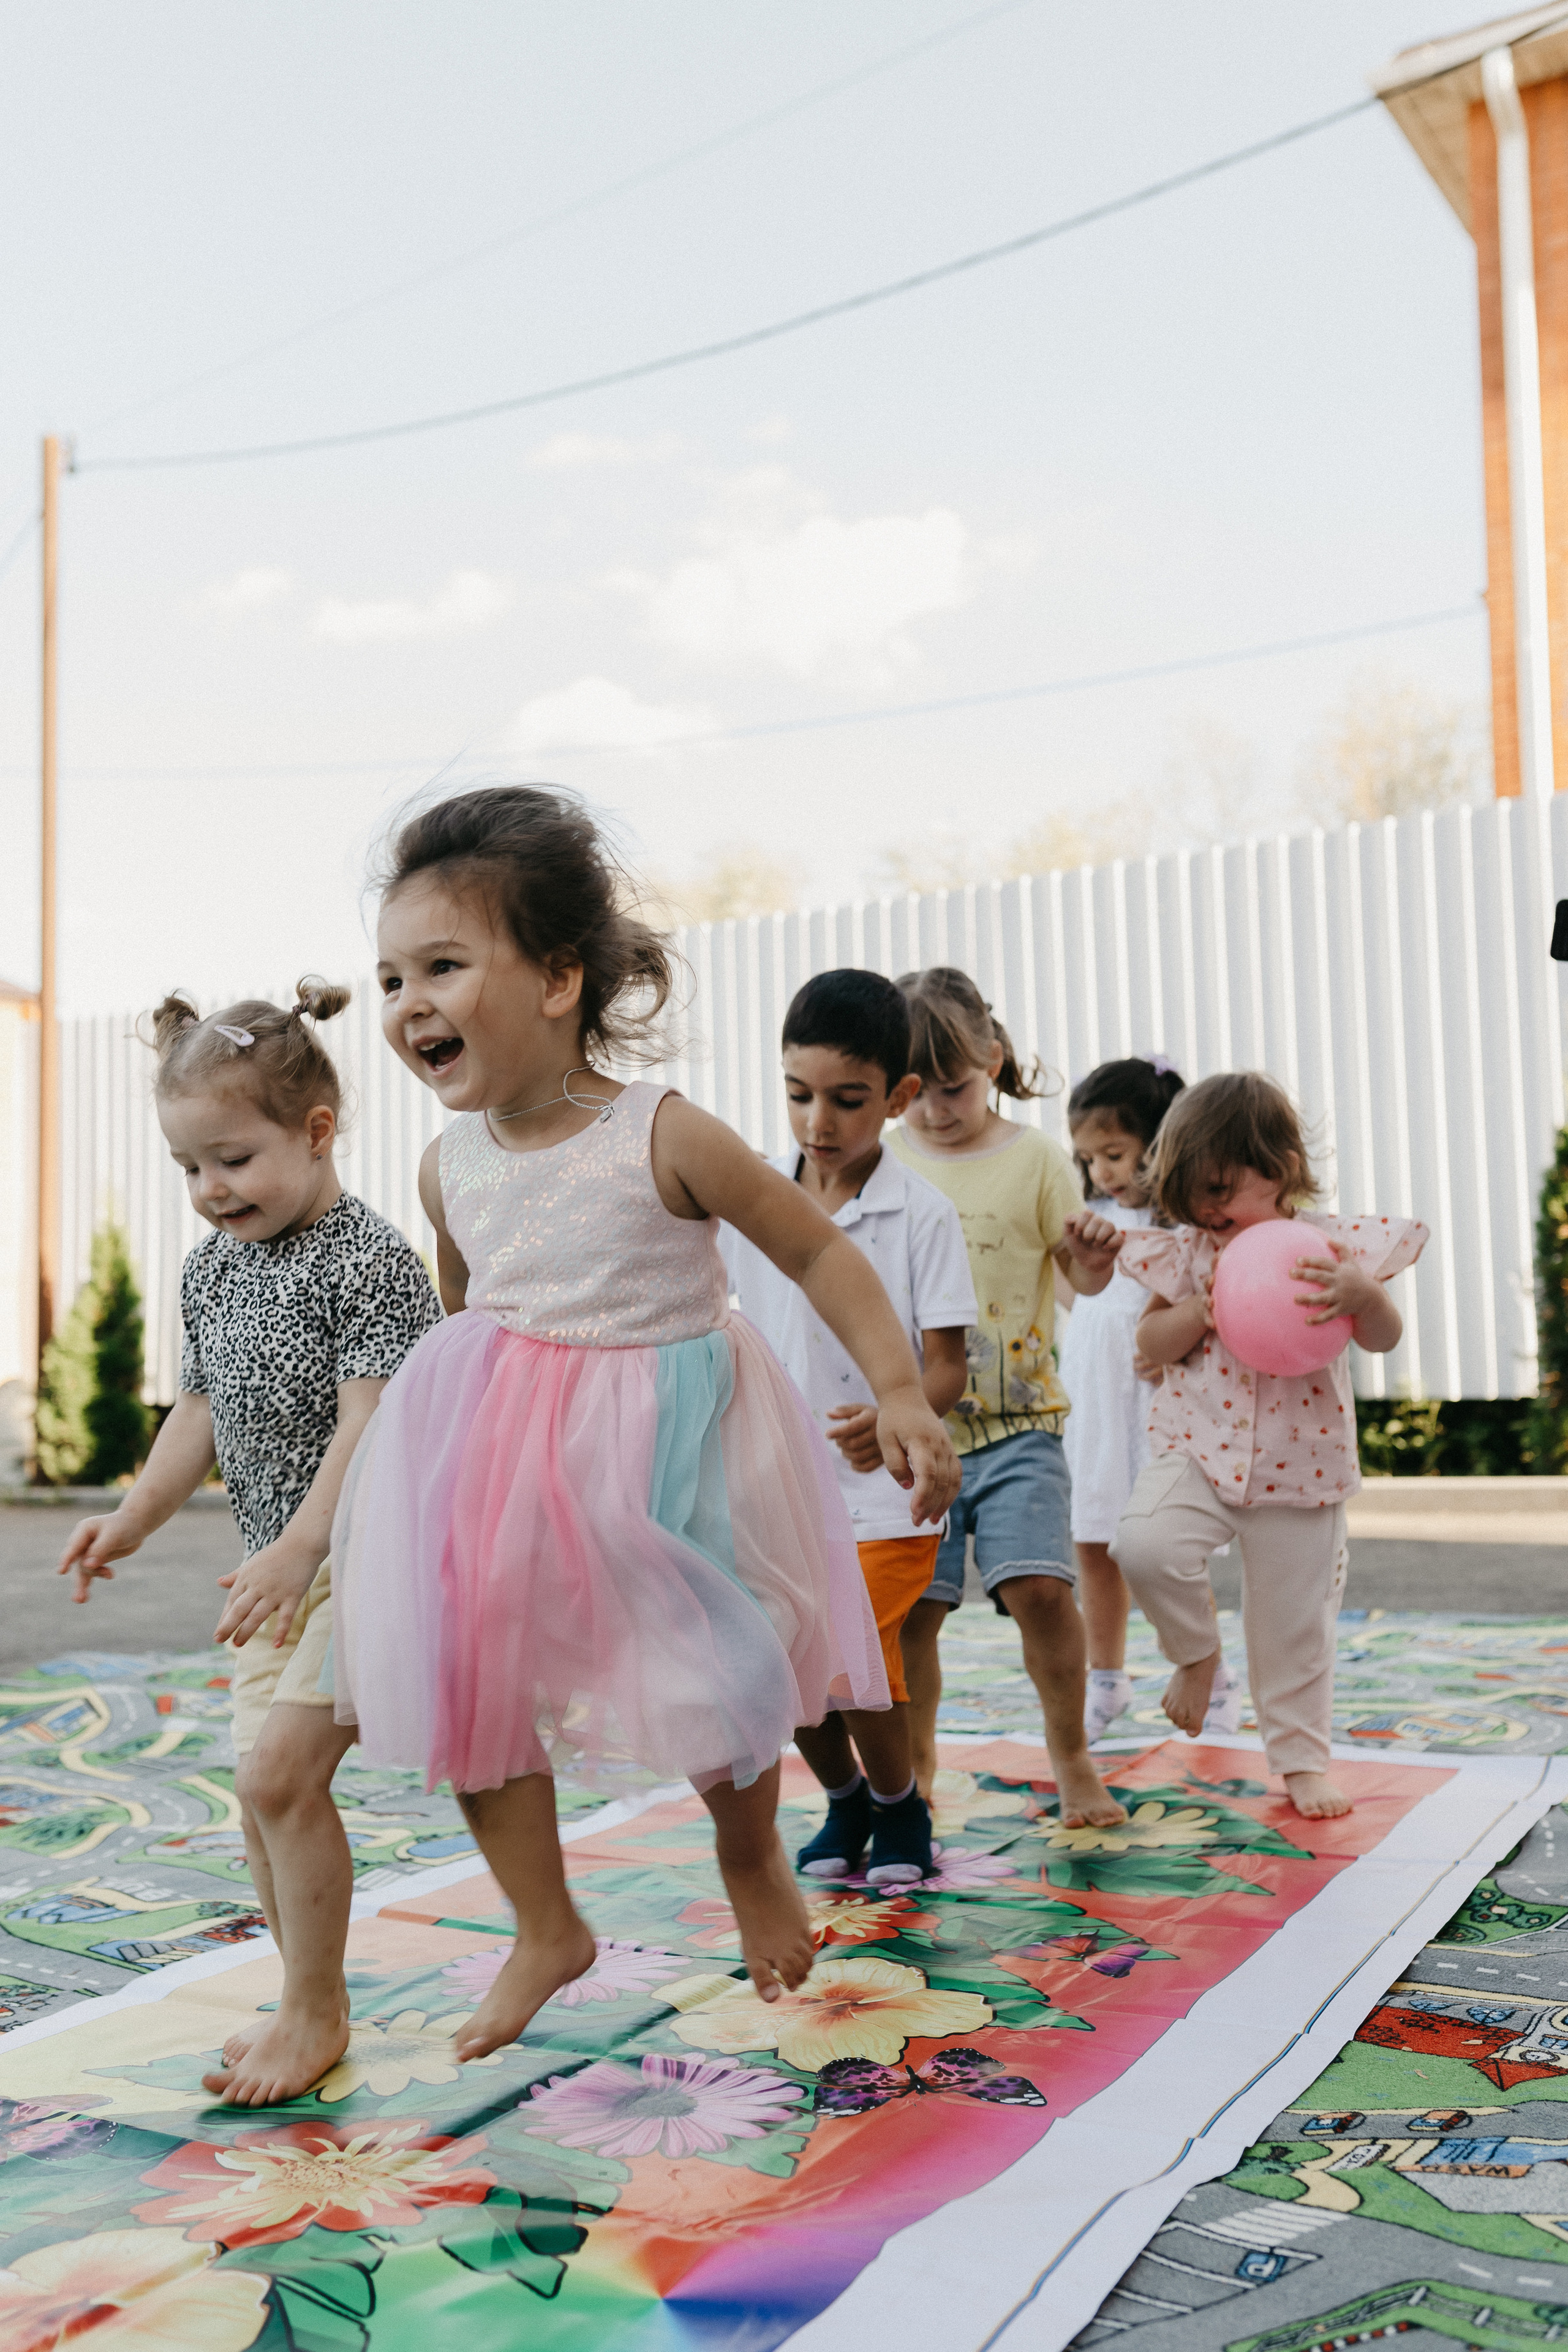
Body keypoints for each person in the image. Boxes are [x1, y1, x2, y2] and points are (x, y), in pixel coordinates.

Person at [332, 786, 960, 2061]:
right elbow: (472, 1300)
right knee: (467, 1688)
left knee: (719, 1676)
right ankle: (543, 1923)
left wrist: (899, 1391)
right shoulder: (445, 1163)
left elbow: (819, 1257)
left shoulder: (659, 1133)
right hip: (510, 1455)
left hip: (667, 1445)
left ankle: (751, 1856)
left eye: (443, 966)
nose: (408, 1004)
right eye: (392, 976)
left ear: (558, 977)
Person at [59, 983, 442, 2103]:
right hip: (279, 1572)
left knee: (283, 1776)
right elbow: (199, 1411)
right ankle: (302, 1999)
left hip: (366, 1562)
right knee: (257, 1791)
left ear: (316, 1133)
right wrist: (130, 1518)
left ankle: (313, 2010)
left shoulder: (365, 1259)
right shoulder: (212, 1271)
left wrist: (306, 1550)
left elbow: (370, 1425)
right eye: (189, 1169)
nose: (207, 1190)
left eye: (230, 1159)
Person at [1112, 1071, 1427, 1819]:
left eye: (1220, 1190)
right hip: (1197, 1446)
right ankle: (1195, 1654)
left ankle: (1299, 1760)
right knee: (1143, 1545)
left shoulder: (1332, 1248)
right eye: (1191, 1198)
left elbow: (1383, 1339)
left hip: (1300, 1465)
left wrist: (1365, 1298)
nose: (1206, 1212)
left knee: (1293, 1626)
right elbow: (1151, 1342)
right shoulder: (1192, 1252)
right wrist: (1196, 1310)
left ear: (1278, 1170)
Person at [721, 968, 976, 1888]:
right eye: (798, 1095)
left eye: (847, 1099)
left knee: (859, 1663)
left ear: (900, 1098)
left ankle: (903, 1803)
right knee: (787, 1669)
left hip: (886, 1493)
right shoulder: (748, 1196)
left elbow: (947, 1363)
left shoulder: (924, 1214)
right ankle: (847, 1803)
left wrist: (897, 1413)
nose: (818, 1122)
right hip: (772, 1483)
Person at [888, 967, 1127, 1831]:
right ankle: (913, 1772)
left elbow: (1078, 1283)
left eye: (952, 1087)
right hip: (916, 1432)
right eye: (913, 1091)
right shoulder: (885, 1161)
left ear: (992, 1058)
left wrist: (1094, 1262)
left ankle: (1071, 1756)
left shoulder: (1032, 1159)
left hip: (1020, 1424)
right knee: (917, 1613)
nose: (934, 1110)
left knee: (1039, 1592)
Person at [1055, 1054, 1241, 1746]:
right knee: (1093, 1542)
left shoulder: (1188, 1232)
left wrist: (1168, 1351)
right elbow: (1076, 1290)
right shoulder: (1090, 1221)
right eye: (1089, 1157)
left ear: (1159, 1144)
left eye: (1115, 1153)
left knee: (1167, 1548)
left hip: (1156, 1412)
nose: (1102, 1171)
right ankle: (1104, 1679)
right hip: (1094, 1407)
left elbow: (1207, 1312)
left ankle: (1208, 1670)